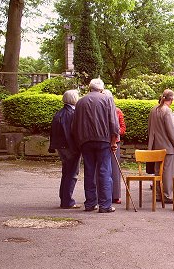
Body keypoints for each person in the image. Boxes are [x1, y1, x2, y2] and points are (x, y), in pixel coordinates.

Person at [72, 78, 119, 213]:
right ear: (102, 89)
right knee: (104, 171)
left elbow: (74, 125)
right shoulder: (107, 99)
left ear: (89, 88)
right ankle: (105, 205)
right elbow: (113, 123)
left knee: (89, 172)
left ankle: (90, 204)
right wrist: (114, 140)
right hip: (103, 140)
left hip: (85, 141)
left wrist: (79, 141)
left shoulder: (80, 101)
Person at [48, 89, 82, 209]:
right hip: (69, 147)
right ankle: (67, 201)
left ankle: (64, 198)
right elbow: (72, 132)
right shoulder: (71, 114)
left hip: (60, 146)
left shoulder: (59, 113)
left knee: (66, 172)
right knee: (72, 173)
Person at [147, 89, 174, 203]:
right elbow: (171, 131)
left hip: (155, 146)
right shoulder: (167, 111)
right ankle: (167, 195)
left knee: (157, 171)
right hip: (167, 147)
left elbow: (149, 129)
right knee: (167, 172)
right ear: (172, 99)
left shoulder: (153, 110)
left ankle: (157, 194)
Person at [102, 89, 126, 205]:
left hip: (115, 142)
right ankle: (103, 195)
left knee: (115, 170)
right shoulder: (99, 111)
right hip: (102, 142)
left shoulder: (117, 111)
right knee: (103, 169)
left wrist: (115, 132)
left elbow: (123, 128)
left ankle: (115, 195)